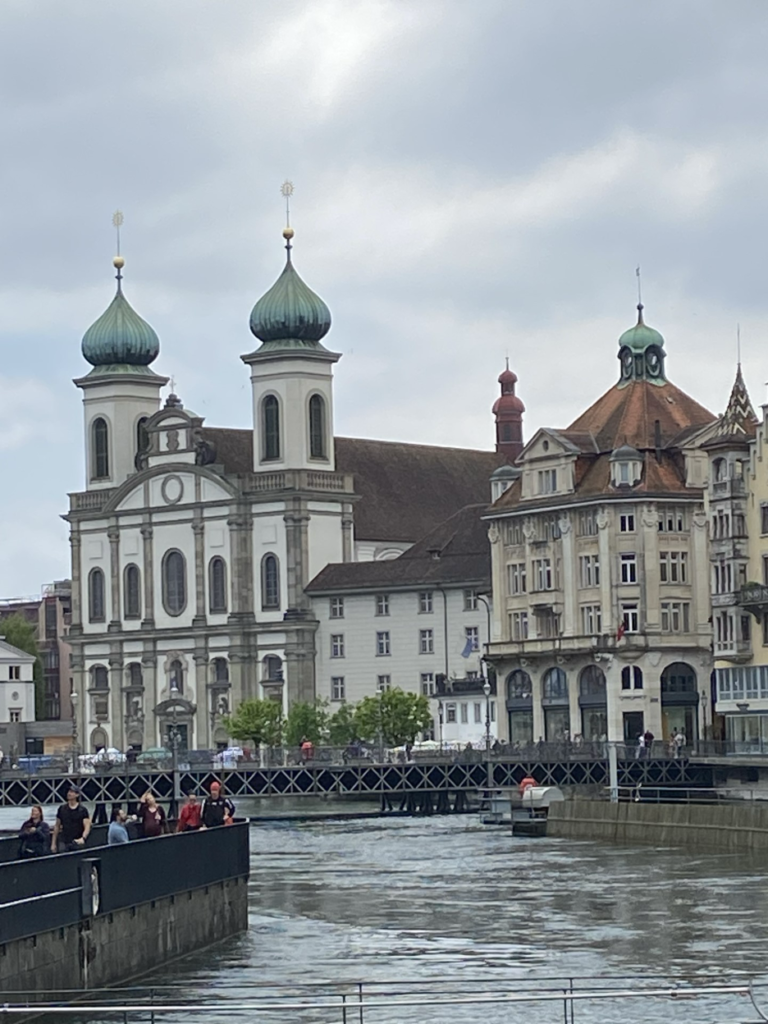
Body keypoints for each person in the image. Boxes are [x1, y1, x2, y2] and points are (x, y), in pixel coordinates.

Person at [52, 785, 91, 853]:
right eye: (69, 791)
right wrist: (53, 843)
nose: (69, 793)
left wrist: (83, 838)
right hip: (64, 840)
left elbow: (87, 826)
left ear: (77, 795)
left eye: (72, 792)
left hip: (76, 840)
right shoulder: (62, 809)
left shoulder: (82, 810)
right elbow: (57, 826)